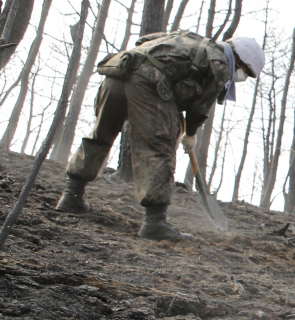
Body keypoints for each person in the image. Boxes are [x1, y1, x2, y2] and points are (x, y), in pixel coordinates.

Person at [55, 32, 264, 241]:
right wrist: (191, 134)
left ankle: (71, 195)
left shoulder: (190, 39)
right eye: (246, 72)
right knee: (158, 147)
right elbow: (200, 107)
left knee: (101, 134)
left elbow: (144, 41)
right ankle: (155, 223)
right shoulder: (221, 64)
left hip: (119, 71)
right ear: (241, 61)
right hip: (146, 82)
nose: (243, 77)